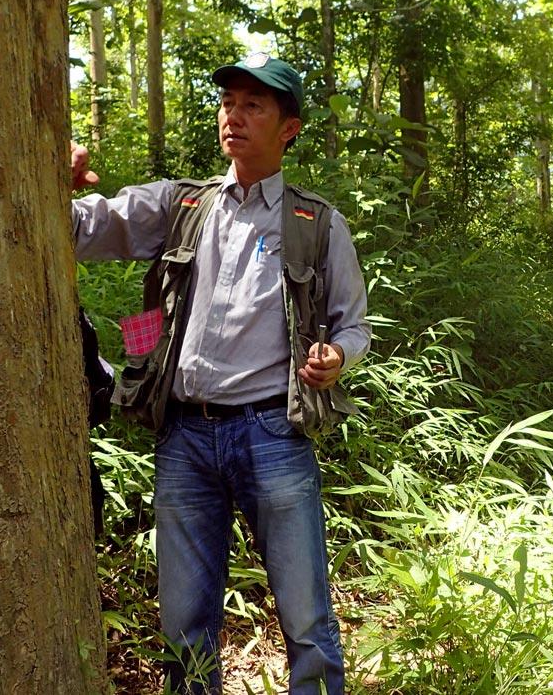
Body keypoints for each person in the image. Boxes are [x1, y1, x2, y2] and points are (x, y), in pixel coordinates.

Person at [70, 53, 370, 695]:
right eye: (228, 103)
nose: (234, 116)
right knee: (183, 623)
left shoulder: (316, 224)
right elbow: (79, 228)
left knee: (307, 619)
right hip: (184, 437)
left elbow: (353, 326)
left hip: (272, 436)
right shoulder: (183, 205)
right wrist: (52, 175)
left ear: (288, 128)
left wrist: (336, 358)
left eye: (253, 106)